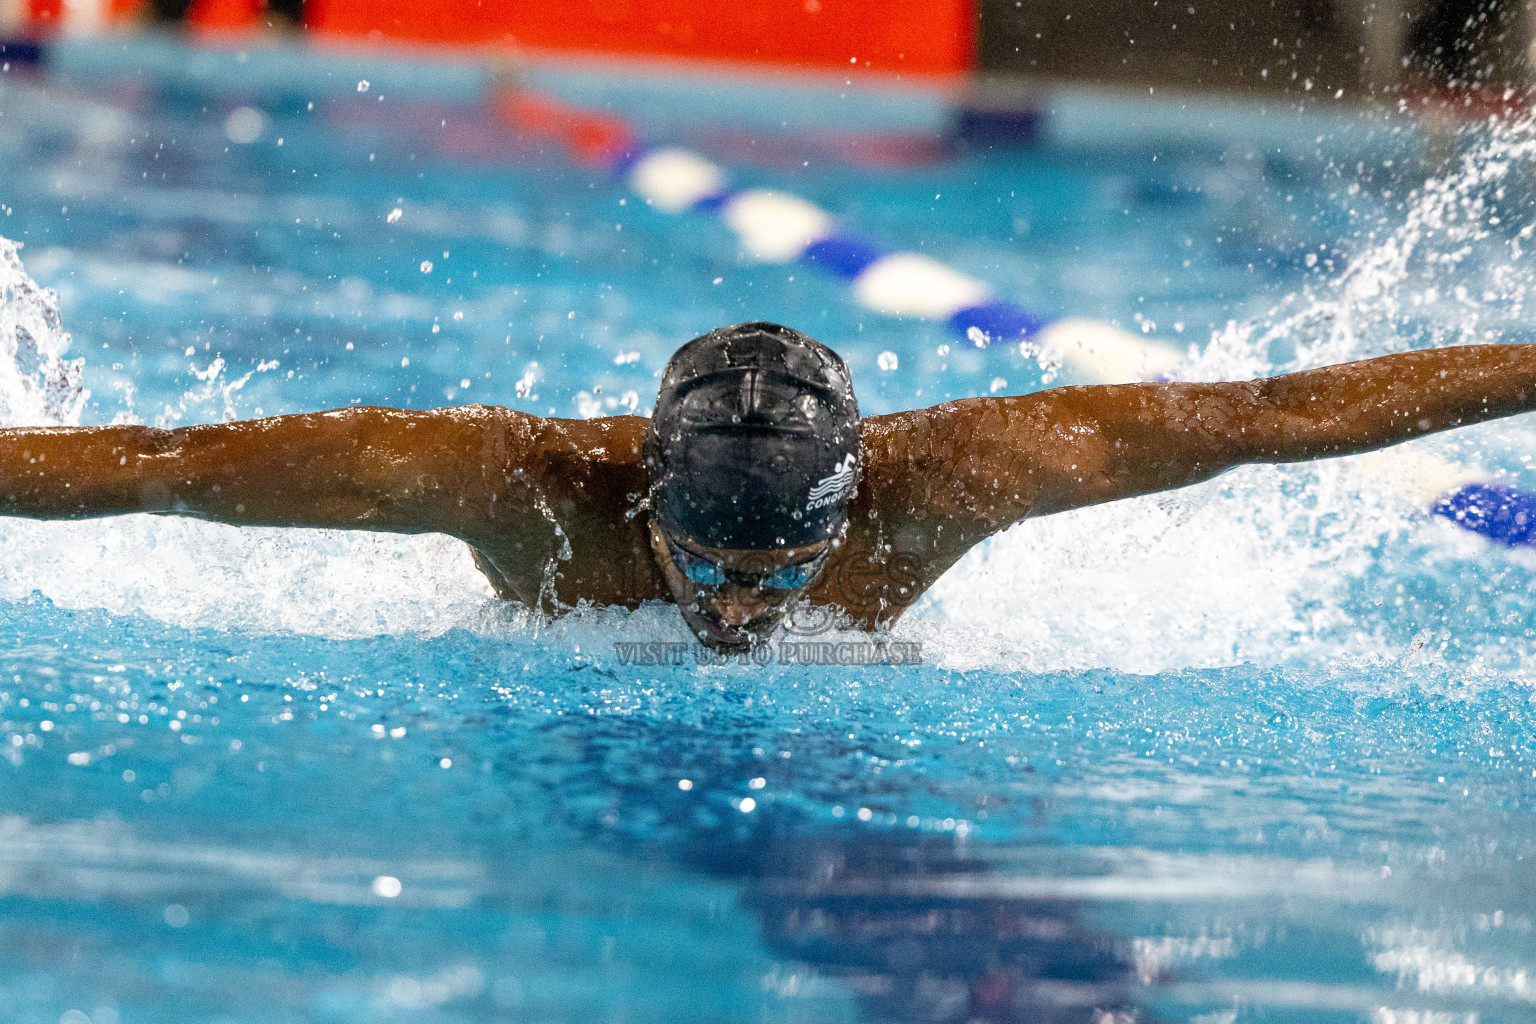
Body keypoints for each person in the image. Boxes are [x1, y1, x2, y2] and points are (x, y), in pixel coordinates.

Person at [0, 320, 1531, 650]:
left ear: (843, 509)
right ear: (645, 507)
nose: (743, 608)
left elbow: (1270, 413)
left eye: (781, 575)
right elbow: (162, 467)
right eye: (711, 567)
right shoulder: (512, 486)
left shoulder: (955, 484)